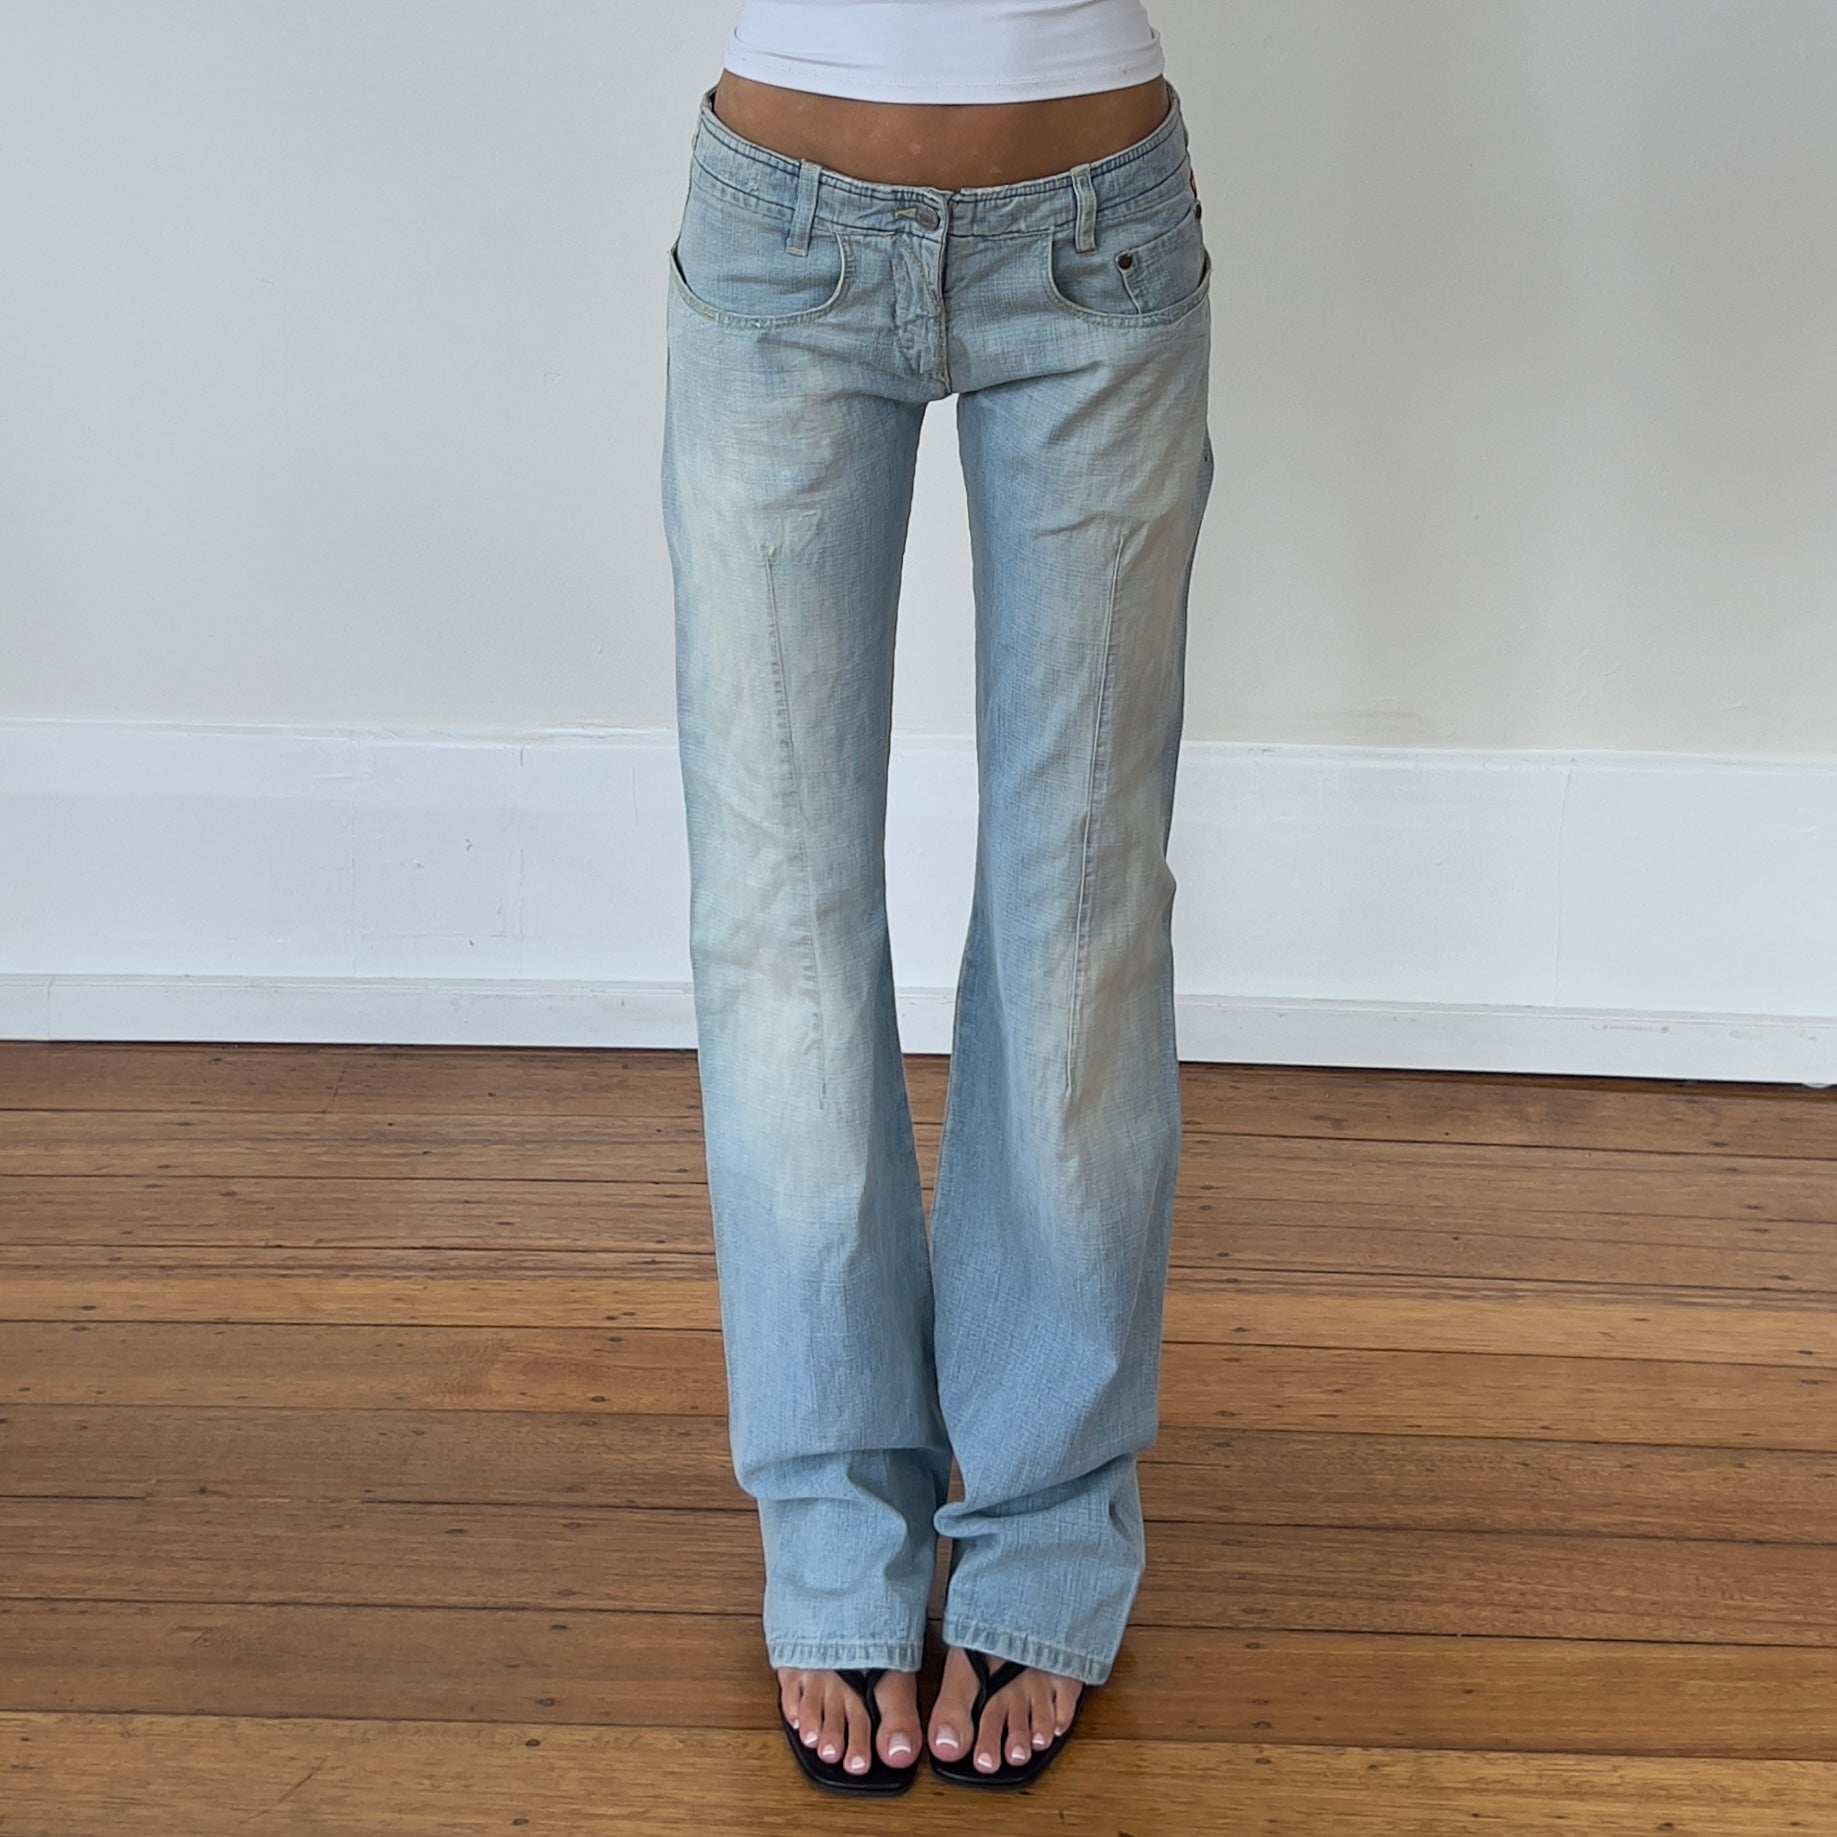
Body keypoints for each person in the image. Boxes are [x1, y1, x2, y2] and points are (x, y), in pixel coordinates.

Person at [659, 0, 1214, 1796]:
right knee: (780, 915)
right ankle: (835, 1522)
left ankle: (1042, 1523)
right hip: (782, 238)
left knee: (1078, 918)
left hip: (1096, 239)